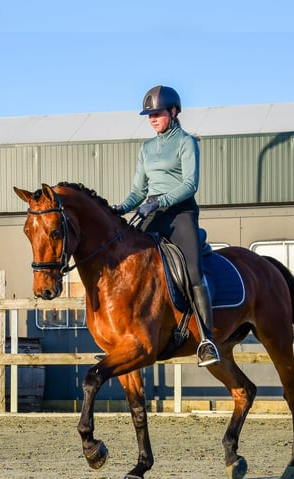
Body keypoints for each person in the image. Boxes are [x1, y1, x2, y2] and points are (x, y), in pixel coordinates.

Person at [113, 85, 220, 366]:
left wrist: (159, 201)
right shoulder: (146, 148)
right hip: (151, 210)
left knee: (194, 272)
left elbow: (190, 184)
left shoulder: (186, 142)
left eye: (157, 114)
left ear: (173, 112)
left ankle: (207, 340)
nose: (152, 119)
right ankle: (125, 338)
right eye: (149, 115)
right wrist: (119, 208)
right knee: (129, 262)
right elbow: (138, 190)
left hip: (180, 213)